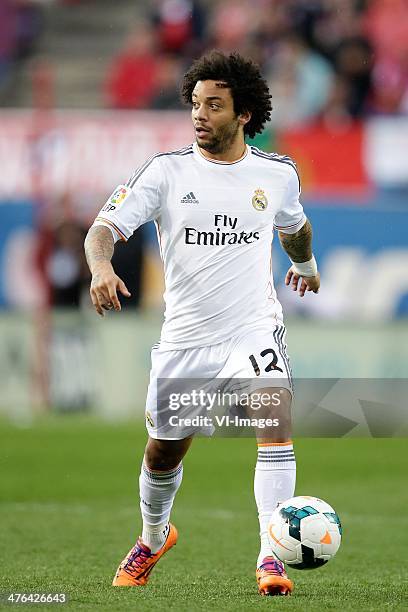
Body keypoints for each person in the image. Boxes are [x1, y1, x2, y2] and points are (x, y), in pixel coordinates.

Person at [84, 50, 320, 597]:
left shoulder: (276, 174)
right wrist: (100, 266)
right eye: (195, 103)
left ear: (243, 115)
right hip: (186, 339)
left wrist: (305, 264)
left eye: (214, 105)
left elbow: (296, 227)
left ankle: (272, 554)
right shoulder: (165, 172)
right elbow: (103, 228)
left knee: (273, 423)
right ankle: (151, 538)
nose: (200, 114)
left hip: (253, 330)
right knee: (163, 450)